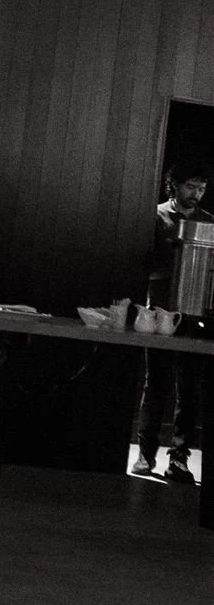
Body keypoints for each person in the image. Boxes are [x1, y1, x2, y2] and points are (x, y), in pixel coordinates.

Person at [134, 161, 210, 483]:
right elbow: (143, 261)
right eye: (191, 187)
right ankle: (144, 455)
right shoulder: (158, 216)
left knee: (189, 389)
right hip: (162, 310)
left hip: (196, 313)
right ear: (175, 185)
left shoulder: (208, 222)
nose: (197, 194)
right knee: (156, 385)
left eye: (202, 188)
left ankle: (178, 458)